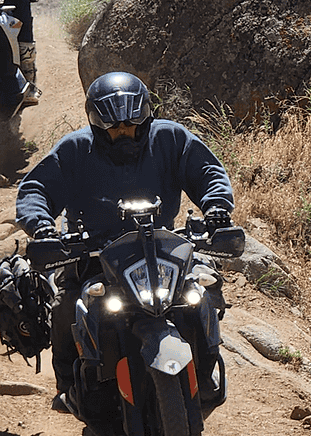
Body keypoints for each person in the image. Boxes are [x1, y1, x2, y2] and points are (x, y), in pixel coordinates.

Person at [15, 71, 235, 411]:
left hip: (163, 250)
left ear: (145, 119)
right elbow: (36, 189)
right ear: (97, 126)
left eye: (132, 126)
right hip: (92, 255)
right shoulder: (76, 149)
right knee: (66, 305)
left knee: (204, 291)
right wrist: (42, 226)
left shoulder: (171, 138)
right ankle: (70, 386)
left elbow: (208, 173)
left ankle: (204, 372)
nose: (125, 134)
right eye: (115, 129)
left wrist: (217, 207)